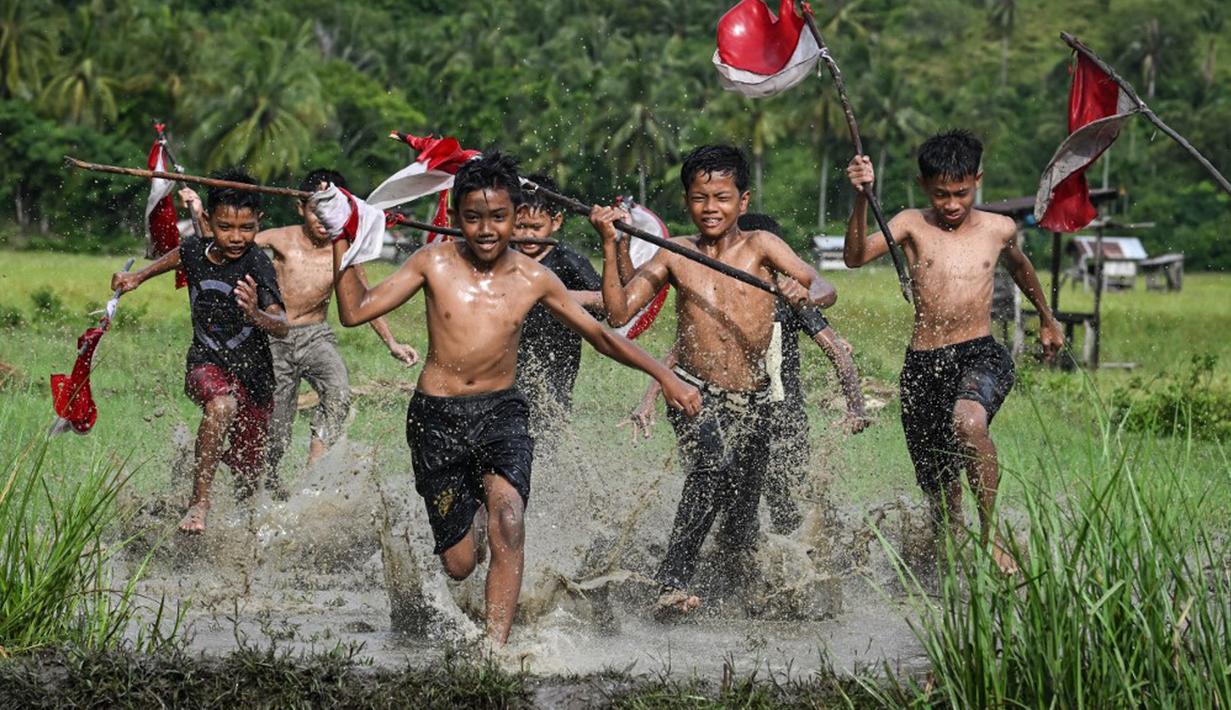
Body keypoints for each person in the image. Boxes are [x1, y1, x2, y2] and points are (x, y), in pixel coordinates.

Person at [312, 151, 701, 645]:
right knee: (459, 564)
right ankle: (473, 514)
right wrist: (341, 235)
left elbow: (603, 334)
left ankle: (494, 649)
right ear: (455, 218)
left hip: (502, 412)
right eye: (473, 218)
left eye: (498, 217)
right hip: (437, 417)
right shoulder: (431, 263)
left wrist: (666, 377)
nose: (487, 229)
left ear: (517, 218)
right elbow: (355, 310)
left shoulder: (534, 278)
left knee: (510, 521)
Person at [591, 145, 837, 617]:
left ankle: (731, 585)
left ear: (743, 202)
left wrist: (801, 289)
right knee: (710, 467)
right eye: (700, 198)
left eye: (721, 197)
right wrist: (609, 244)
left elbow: (825, 288)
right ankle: (671, 581)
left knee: (742, 517)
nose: (710, 209)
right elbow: (619, 310)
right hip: (691, 390)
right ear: (687, 201)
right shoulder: (675, 254)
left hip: (754, 398)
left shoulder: (763, 247)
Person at [842, 129, 1064, 573]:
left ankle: (990, 534)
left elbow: (1021, 267)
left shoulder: (999, 229)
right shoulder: (908, 223)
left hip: (979, 352)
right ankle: (948, 567)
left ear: (977, 180)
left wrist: (1047, 316)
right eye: (941, 194)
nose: (952, 204)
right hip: (923, 364)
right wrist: (863, 198)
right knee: (942, 494)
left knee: (968, 421)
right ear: (924, 186)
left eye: (961, 193)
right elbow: (854, 257)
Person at [625, 212, 868, 535]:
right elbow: (677, 354)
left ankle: (781, 554)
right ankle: (733, 545)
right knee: (726, 488)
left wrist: (855, 404)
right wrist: (648, 401)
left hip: (786, 415)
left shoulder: (791, 301)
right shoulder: (726, 302)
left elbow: (834, 346)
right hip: (731, 409)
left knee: (785, 498)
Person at [182, 170, 419, 491]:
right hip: (274, 339)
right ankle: (266, 484)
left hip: (316, 334)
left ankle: (314, 473)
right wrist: (198, 212)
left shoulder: (344, 249)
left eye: (330, 210)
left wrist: (392, 343)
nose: (323, 219)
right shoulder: (281, 238)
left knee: (339, 391)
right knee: (275, 430)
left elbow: (363, 298)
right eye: (315, 209)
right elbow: (228, 241)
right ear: (300, 208)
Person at [111, 170, 289, 534]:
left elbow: (282, 324)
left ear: (260, 223)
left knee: (248, 473)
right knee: (220, 405)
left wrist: (255, 313)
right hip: (206, 363)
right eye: (225, 227)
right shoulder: (195, 250)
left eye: (247, 228)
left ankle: (239, 538)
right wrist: (137, 277)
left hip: (255, 377)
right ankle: (199, 503)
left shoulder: (257, 263)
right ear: (208, 220)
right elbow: (179, 256)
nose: (236, 237)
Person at [511, 174, 603, 443]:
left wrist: (558, 296)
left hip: (557, 364)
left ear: (556, 222)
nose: (528, 235)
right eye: (520, 226)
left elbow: (604, 302)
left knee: (546, 431)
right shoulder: (503, 256)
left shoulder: (568, 260)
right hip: (506, 360)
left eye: (536, 227)